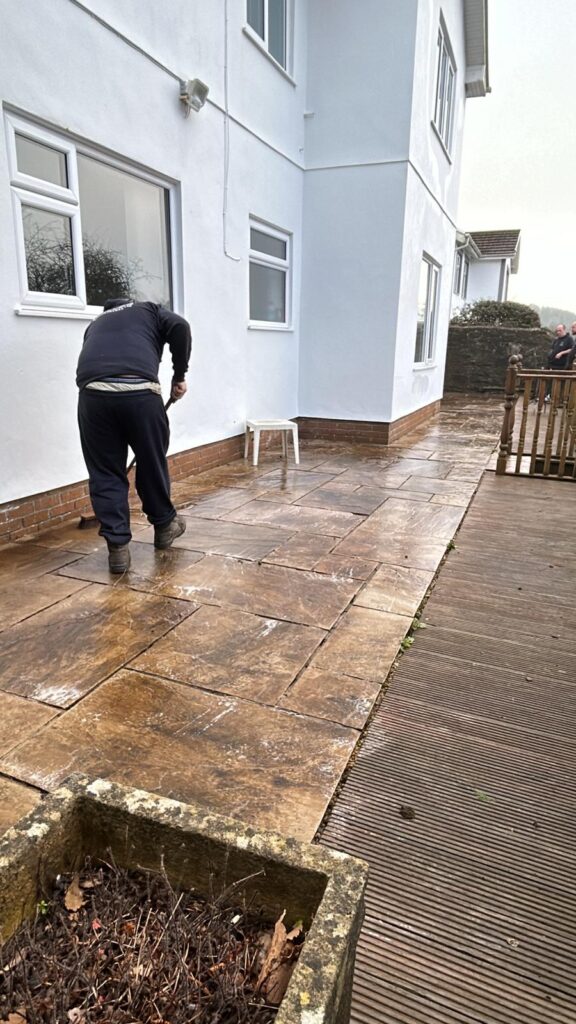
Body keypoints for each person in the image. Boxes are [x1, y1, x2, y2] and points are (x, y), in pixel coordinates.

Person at [76, 298, 192, 573]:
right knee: (151, 462)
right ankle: (164, 526)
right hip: (140, 393)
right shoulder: (148, 309)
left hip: (93, 396)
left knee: (105, 471)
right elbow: (180, 325)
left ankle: (117, 549)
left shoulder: (96, 323)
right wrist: (179, 375)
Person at [544, 324, 575, 401]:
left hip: (562, 365)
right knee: (549, 381)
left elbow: (571, 349)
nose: (558, 332)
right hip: (552, 364)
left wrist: (561, 353)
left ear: (564, 330)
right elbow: (552, 349)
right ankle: (548, 395)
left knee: (559, 383)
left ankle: (556, 398)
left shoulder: (569, 339)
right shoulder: (556, 339)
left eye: (560, 330)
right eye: (557, 330)